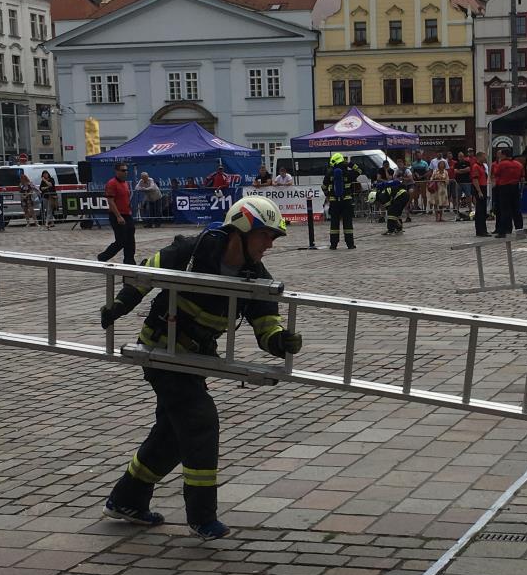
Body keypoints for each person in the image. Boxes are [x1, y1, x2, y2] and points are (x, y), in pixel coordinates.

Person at [98, 196, 301, 540]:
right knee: (199, 421)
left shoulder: (256, 277)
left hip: (195, 361)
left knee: (172, 435)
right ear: (241, 231)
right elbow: (146, 273)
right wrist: (119, 305)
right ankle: (202, 517)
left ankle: (126, 499)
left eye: (273, 238)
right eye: (266, 235)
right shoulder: (193, 252)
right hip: (161, 353)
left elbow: (266, 324)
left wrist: (280, 342)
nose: (270, 244)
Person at [97, 162, 136, 264]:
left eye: (126, 170)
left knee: (130, 240)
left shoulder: (125, 183)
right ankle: (102, 257)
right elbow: (110, 201)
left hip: (127, 214)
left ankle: (129, 262)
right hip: (117, 215)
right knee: (121, 241)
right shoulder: (112, 183)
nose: (125, 172)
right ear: (117, 171)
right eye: (123, 170)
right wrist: (118, 216)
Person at [322, 152, 359, 249]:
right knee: (348, 223)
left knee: (334, 224)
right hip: (346, 201)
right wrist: (349, 164)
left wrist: (328, 196)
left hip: (334, 202)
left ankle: (333, 245)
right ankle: (350, 244)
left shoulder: (329, 173)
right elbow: (359, 170)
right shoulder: (348, 173)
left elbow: (323, 186)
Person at [492, 148, 525, 237]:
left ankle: (503, 231)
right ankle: (519, 230)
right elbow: (522, 178)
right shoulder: (519, 164)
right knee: (516, 210)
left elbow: (496, 174)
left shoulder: (501, 164)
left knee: (505, 210)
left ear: (504, 155)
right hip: (515, 187)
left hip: (504, 188)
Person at [375, 168, 408, 235]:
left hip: (400, 197)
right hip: (403, 196)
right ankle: (399, 228)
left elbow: (388, 207)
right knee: (397, 213)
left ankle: (391, 230)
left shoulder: (390, 183)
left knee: (391, 212)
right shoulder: (394, 182)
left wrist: (376, 185)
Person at [469, 150, 490, 236]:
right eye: (484, 156)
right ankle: (480, 231)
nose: (485, 158)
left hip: (484, 187)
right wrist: (479, 191)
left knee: (483, 210)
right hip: (480, 188)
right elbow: (475, 179)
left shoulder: (483, 166)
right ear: (479, 157)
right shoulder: (476, 166)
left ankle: (483, 229)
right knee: (480, 211)